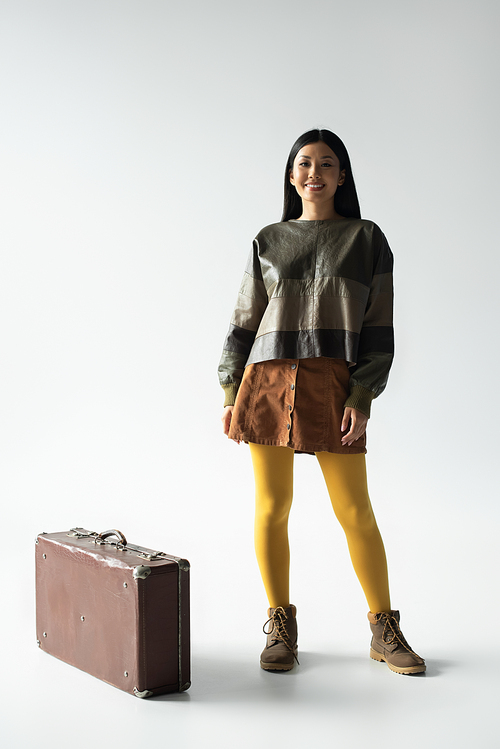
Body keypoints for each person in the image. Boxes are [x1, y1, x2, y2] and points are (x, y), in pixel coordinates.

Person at [218, 129, 425, 675]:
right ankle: (280, 625)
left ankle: (384, 627)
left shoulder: (366, 238)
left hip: (333, 383)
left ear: (341, 176)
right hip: (265, 382)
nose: (315, 172)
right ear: (291, 176)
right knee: (272, 507)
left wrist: (363, 394)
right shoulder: (269, 239)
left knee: (355, 510)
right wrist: (228, 388)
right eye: (304, 163)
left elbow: (379, 327)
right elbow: (245, 319)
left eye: (326, 163)